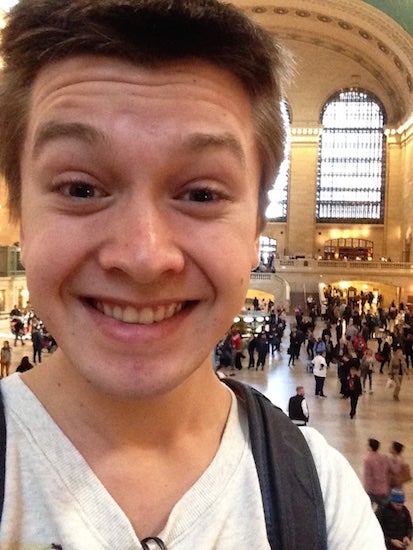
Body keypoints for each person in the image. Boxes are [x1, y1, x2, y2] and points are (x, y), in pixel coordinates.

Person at [0, 1, 385, 547]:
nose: (143, 257)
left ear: (256, 228)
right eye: (81, 189)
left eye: (201, 194)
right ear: (19, 215)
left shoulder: (322, 503)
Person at [364, 439, 392, 508]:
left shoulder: (368, 459)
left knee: (368, 510)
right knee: (384, 511)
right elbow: (388, 471)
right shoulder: (384, 457)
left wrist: (366, 489)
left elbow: (368, 477)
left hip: (372, 490)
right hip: (383, 489)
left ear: (370, 447)